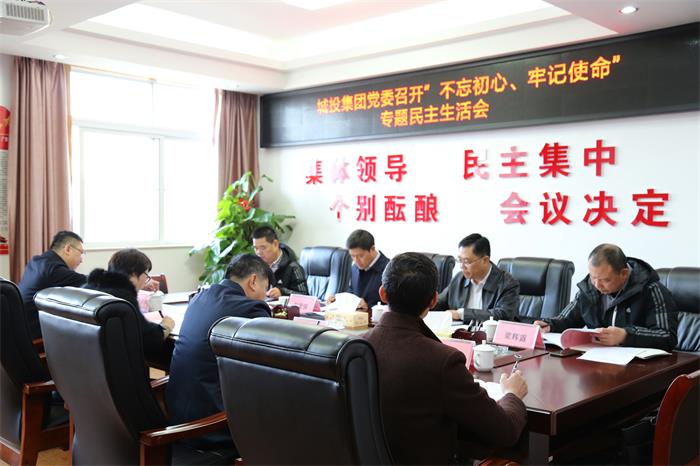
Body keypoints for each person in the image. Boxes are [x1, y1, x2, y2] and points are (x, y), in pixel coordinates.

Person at [363, 253, 527, 464]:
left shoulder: (356, 348)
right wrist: (512, 395)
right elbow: (505, 431)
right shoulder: (442, 361)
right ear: (433, 300)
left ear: (383, 293)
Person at [167, 254, 272, 452]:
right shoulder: (252, 309)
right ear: (253, 281)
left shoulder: (198, 298)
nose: (265, 296)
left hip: (177, 416)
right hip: (212, 425)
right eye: (265, 289)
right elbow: (266, 366)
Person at [535, 244, 677, 351]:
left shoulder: (651, 290)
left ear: (624, 273)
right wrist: (550, 325)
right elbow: (568, 319)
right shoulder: (589, 287)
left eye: (605, 280)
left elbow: (666, 336)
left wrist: (625, 336)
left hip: (639, 367)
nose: (597, 285)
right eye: (593, 277)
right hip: (597, 360)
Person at [83, 249, 175, 360]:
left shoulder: (88, 288)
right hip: (117, 364)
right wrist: (165, 326)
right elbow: (148, 340)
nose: (145, 281)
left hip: (88, 360)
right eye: (146, 275)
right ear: (134, 274)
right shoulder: (123, 297)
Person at [433, 233, 519, 324]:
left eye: (466, 261)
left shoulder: (507, 283)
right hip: (458, 331)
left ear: (485, 260)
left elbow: (503, 315)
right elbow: (438, 303)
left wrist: (461, 314)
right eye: (460, 260)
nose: (462, 266)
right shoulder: (459, 278)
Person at [18, 230, 88, 340]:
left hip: (20, 327)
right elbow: (90, 283)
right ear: (68, 249)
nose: (81, 260)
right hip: (33, 336)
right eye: (81, 252)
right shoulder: (54, 270)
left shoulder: (36, 261)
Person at [329, 229, 389, 311]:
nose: (356, 261)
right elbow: (352, 292)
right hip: (356, 317)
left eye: (361, 256)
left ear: (372, 249)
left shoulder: (389, 270)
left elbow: (394, 305)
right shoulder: (354, 268)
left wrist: (368, 306)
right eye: (352, 256)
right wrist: (338, 300)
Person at [252, 225, 308, 298]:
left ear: (275, 244)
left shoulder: (293, 267)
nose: (258, 252)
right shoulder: (255, 266)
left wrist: (282, 292)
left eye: (263, 248)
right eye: (255, 248)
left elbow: (304, 296)